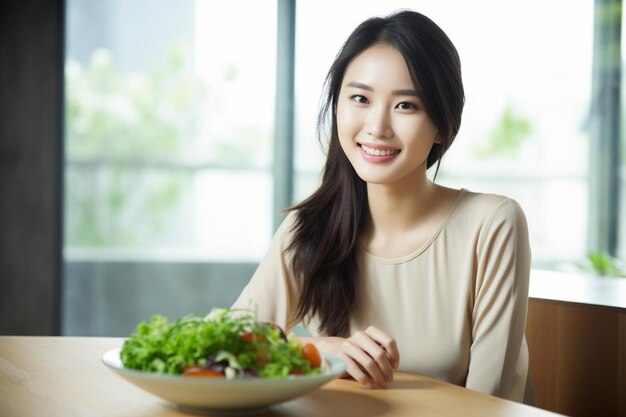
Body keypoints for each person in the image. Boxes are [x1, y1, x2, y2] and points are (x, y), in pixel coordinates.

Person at [233, 9, 531, 403]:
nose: (377, 126)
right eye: (360, 98)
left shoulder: (492, 225)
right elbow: (224, 345)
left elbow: (489, 399)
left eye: (406, 106)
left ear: (443, 124)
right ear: (337, 106)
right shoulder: (309, 229)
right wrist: (320, 349)